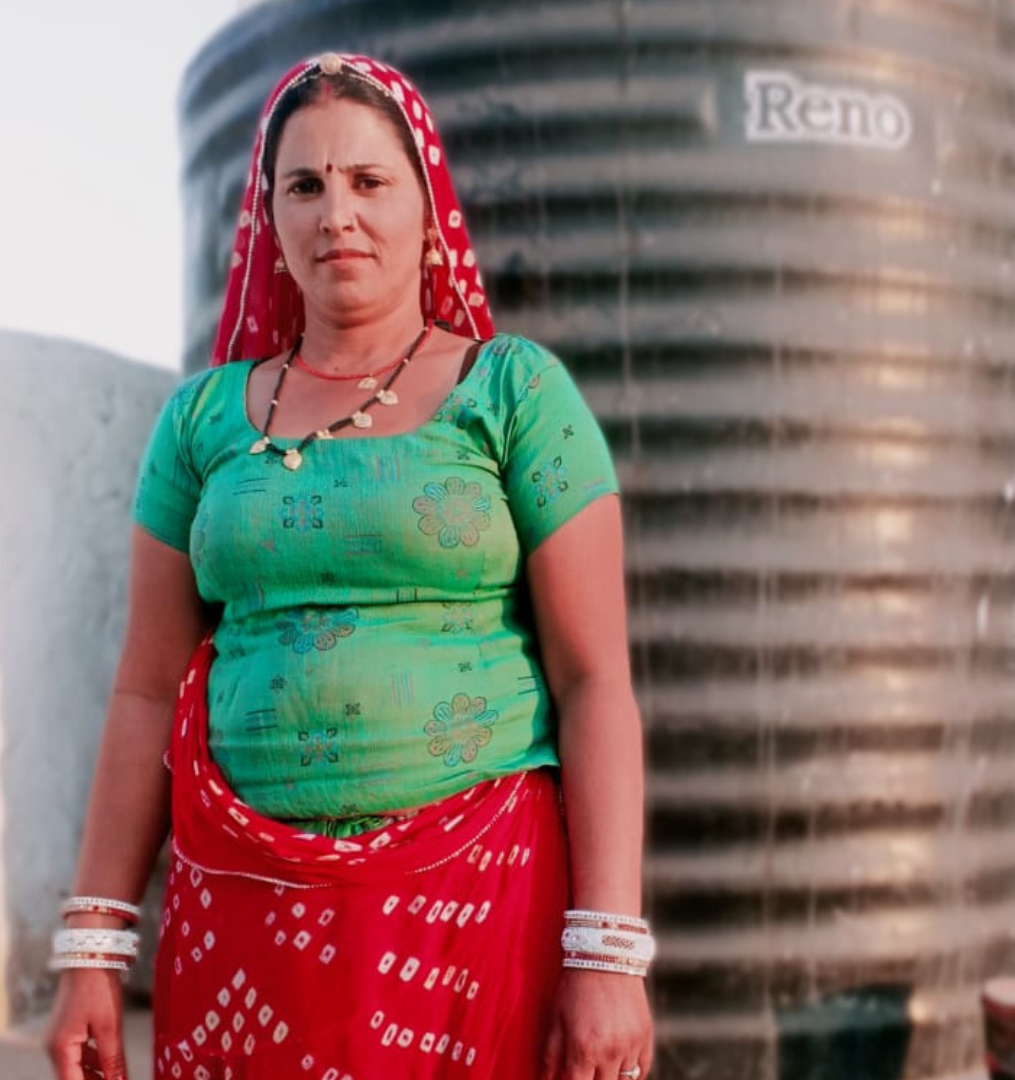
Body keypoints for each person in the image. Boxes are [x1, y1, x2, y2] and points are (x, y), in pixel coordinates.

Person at [46, 52, 653, 1080]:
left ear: (428, 206)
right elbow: (147, 688)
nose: (338, 215)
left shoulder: (510, 395)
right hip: (242, 920)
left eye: (370, 182)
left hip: (470, 913)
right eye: (306, 185)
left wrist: (607, 953)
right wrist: (94, 947)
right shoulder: (202, 421)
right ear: (269, 219)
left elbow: (595, 682)